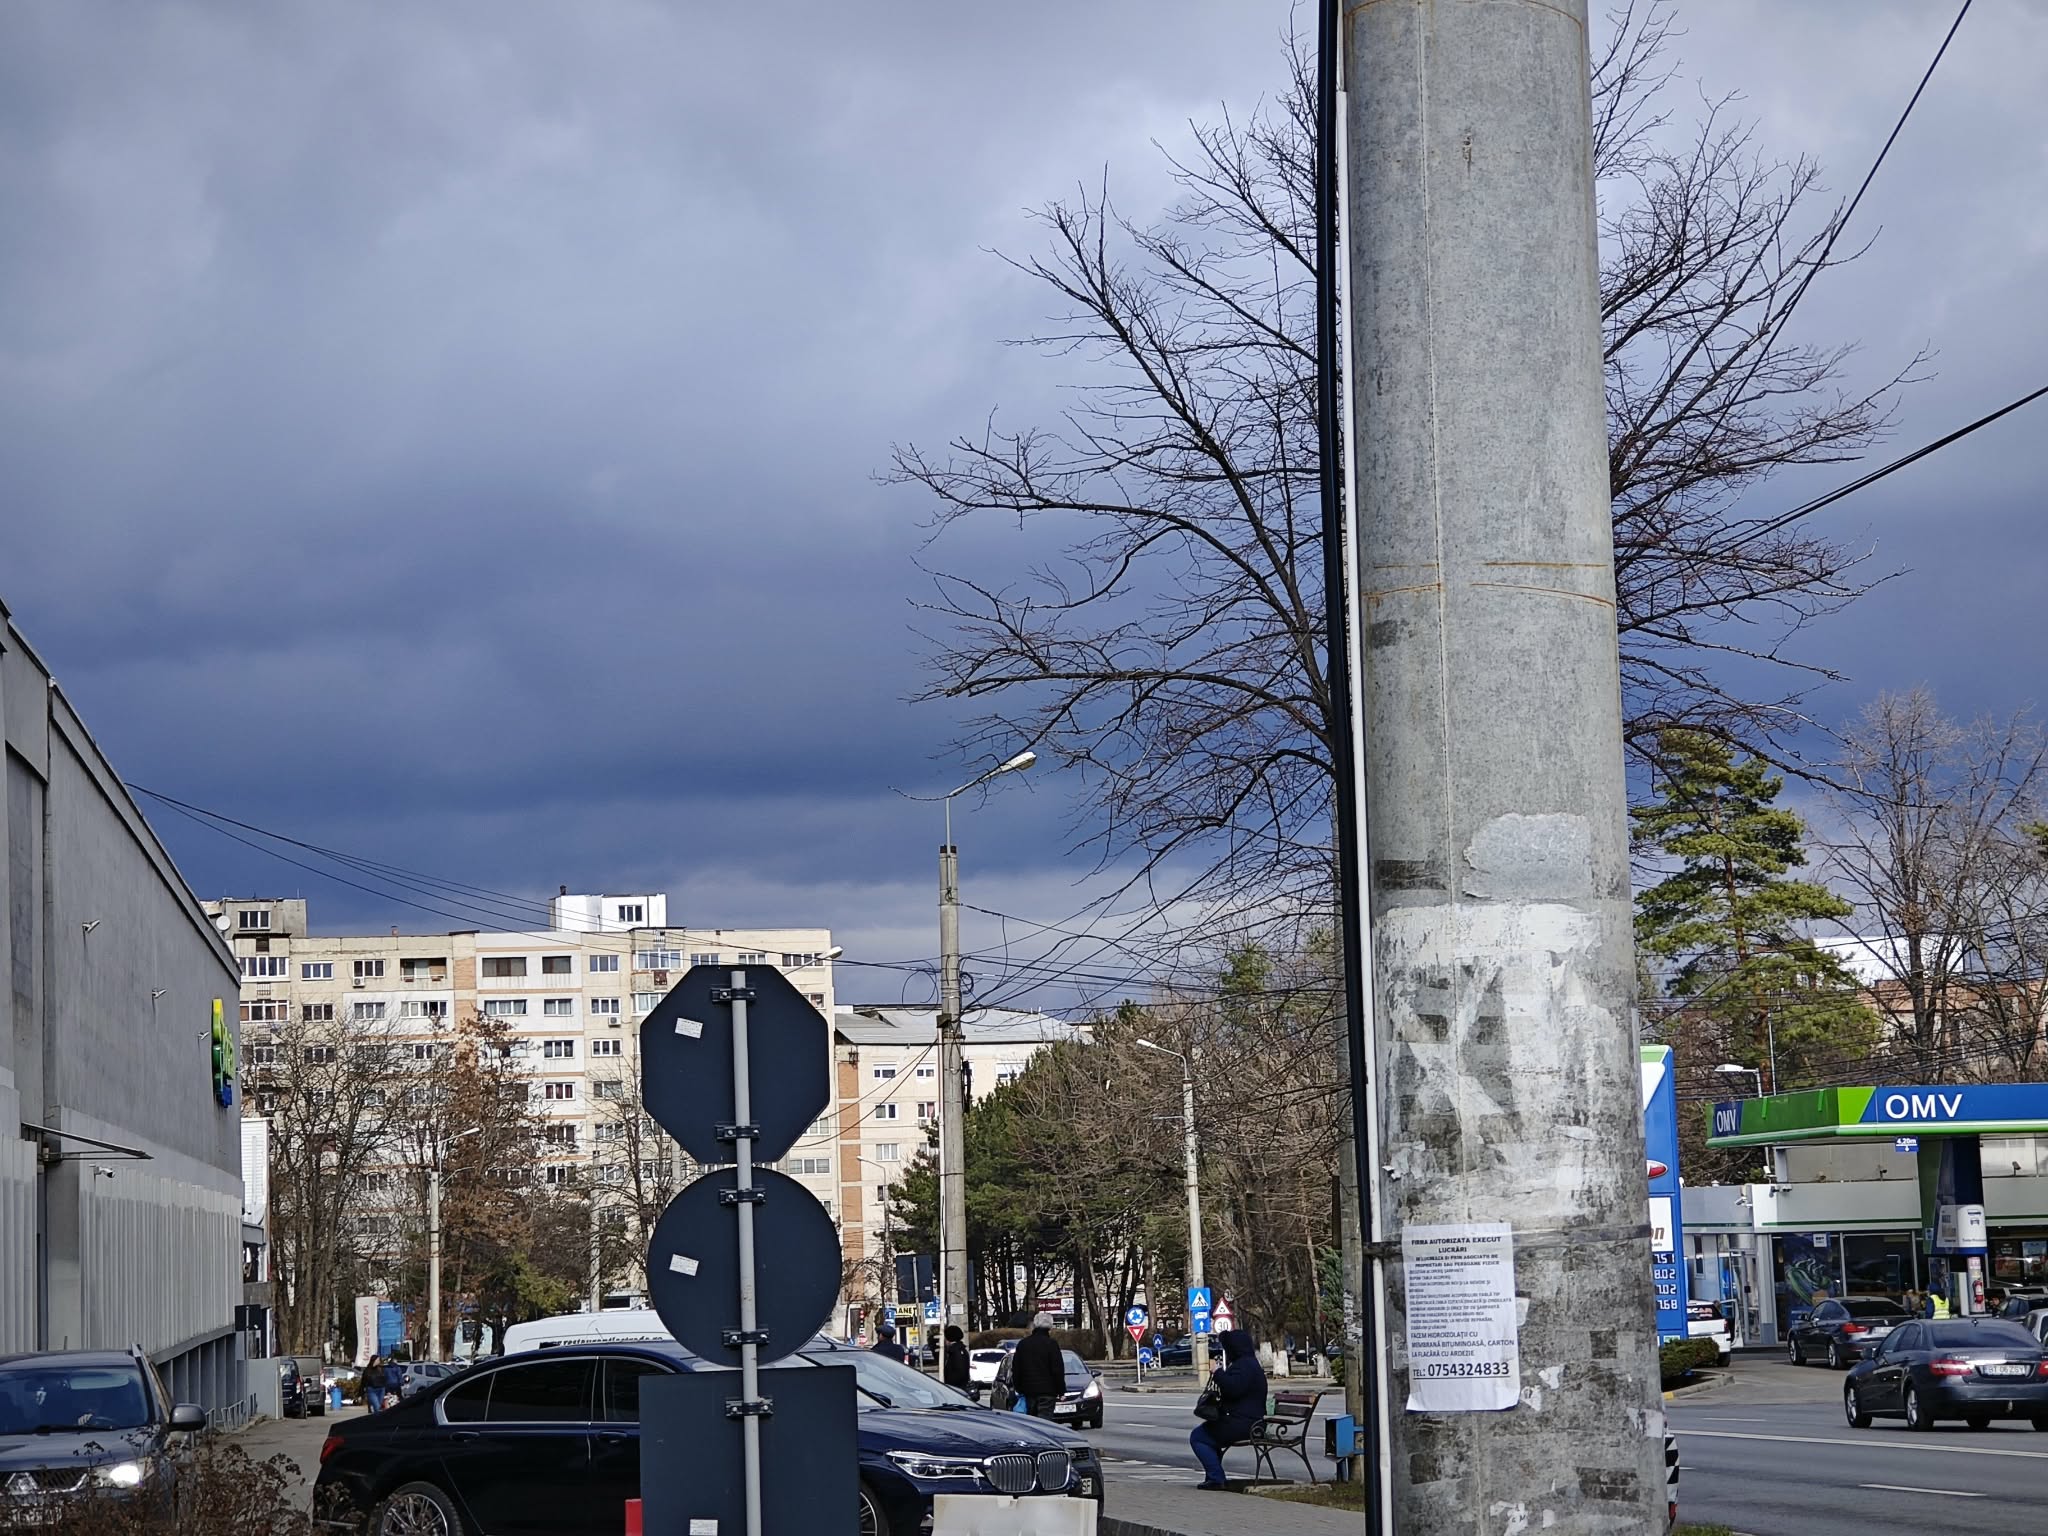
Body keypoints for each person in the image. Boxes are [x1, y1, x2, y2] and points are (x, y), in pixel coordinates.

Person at [1190, 1330, 1266, 1490]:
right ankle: (1213, 1476)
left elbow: (1233, 1389)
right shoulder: (1250, 1363)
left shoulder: (1244, 1366)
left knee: (1199, 1437)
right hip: (1249, 1421)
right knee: (1210, 1435)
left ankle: (1216, 1478)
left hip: (1243, 1424)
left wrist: (1217, 1373)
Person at [1010, 1312, 1067, 1419]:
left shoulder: (1023, 1344)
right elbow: (1057, 1370)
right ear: (1050, 1326)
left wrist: (1019, 1388)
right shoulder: (1051, 1344)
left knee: (1032, 1422)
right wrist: (1061, 1390)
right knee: (1045, 1422)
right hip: (1048, 1391)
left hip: (1029, 1391)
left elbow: (1016, 1369)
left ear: (1035, 1324)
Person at [942, 1324, 971, 1393]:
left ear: (948, 1338)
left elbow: (959, 1372)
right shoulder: (961, 1349)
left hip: (956, 1389)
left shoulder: (955, 1352)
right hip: (959, 1388)